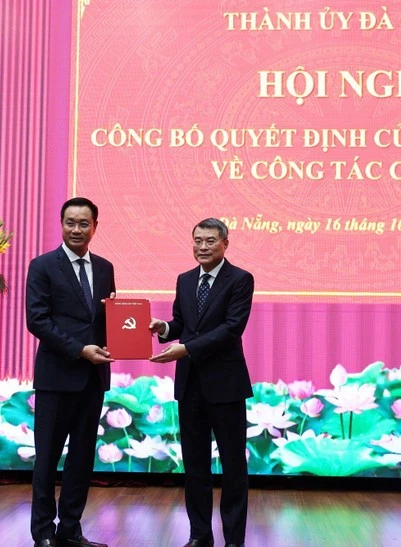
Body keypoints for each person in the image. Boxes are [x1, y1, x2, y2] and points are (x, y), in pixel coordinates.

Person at [150, 218, 254, 547]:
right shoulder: (184, 280)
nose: (202, 247)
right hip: (191, 386)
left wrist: (187, 349)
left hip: (226, 385)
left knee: (233, 466)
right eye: (197, 241)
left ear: (225, 243)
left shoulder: (240, 279)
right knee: (195, 465)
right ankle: (199, 535)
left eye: (210, 241)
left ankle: (234, 540)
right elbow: (182, 324)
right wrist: (163, 329)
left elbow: (231, 328)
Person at [26, 197, 115, 547]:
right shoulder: (43, 265)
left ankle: (70, 530)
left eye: (83, 223)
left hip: (92, 380)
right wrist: (79, 350)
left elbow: (107, 317)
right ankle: (44, 534)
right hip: (56, 377)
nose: (76, 229)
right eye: (70, 222)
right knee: (47, 459)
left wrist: (135, 333)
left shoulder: (106, 267)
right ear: (61, 224)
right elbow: (38, 320)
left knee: (81, 459)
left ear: (95, 226)